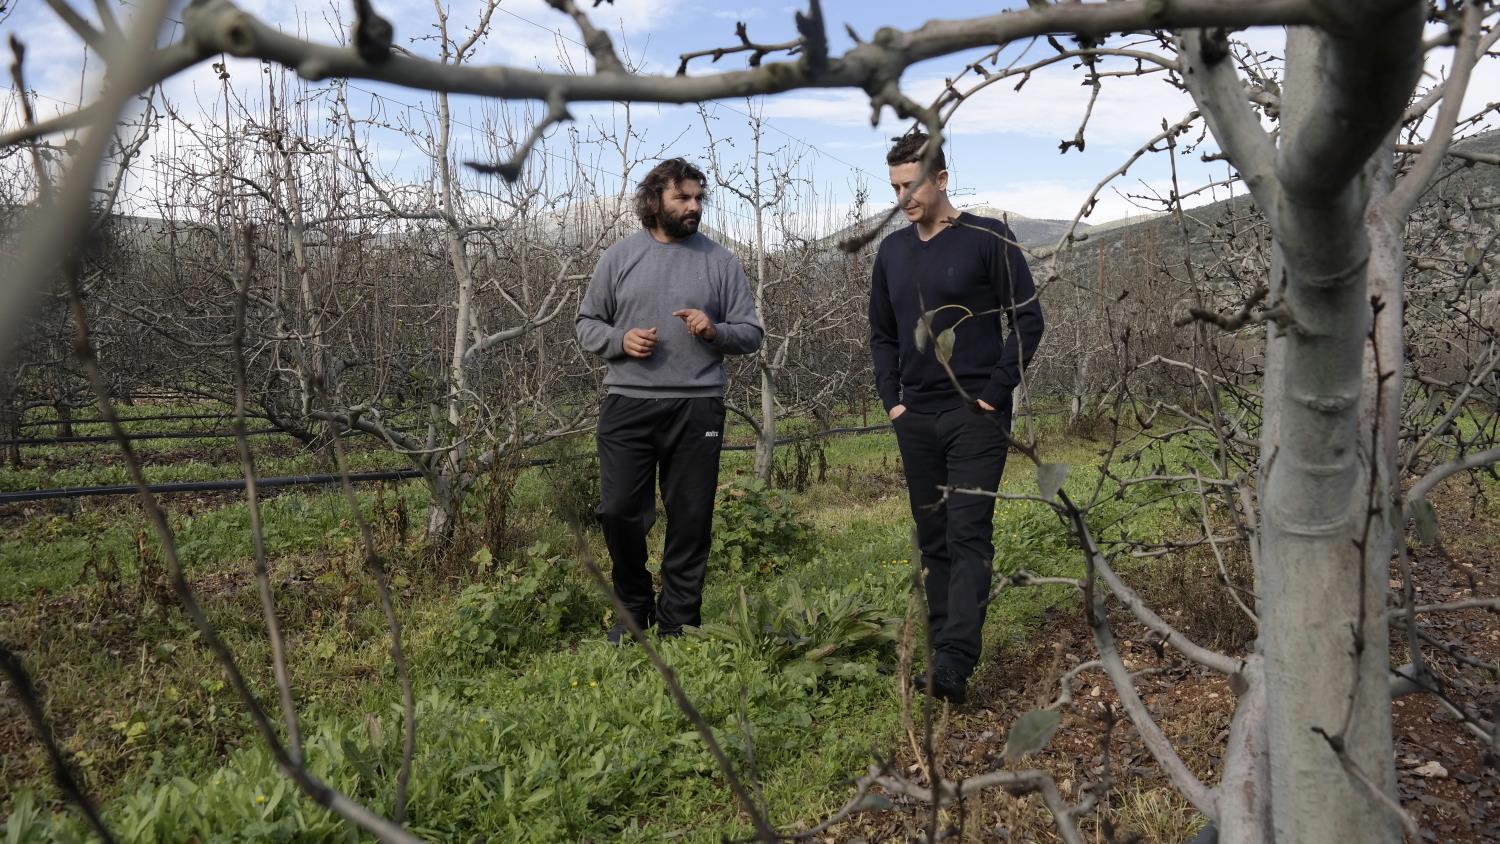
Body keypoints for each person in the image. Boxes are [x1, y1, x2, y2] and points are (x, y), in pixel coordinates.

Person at [868, 132, 1045, 703]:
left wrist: (993, 394)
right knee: (934, 535)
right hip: (915, 417)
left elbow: (1028, 321)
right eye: (895, 187)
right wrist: (892, 400)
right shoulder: (892, 252)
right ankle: (945, 645)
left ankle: (953, 664)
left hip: (976, 414)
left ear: (941, 180)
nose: (903, 198)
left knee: (969, 531)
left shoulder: (988, 238)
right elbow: (883, 335)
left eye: (912, 185)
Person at [576, 157, 764, 644]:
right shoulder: (619, 258)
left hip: (697, 405)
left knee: (691, 517)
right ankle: (634, 610)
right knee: (619, 511)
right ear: (655, 199)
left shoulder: (720, 261)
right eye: (683, 198)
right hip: (628, 403)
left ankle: (679, 621)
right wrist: (620, 341)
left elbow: (750, 332)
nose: (694, 207)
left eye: (699, 198)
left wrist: (715, 330)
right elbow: (587, 322)